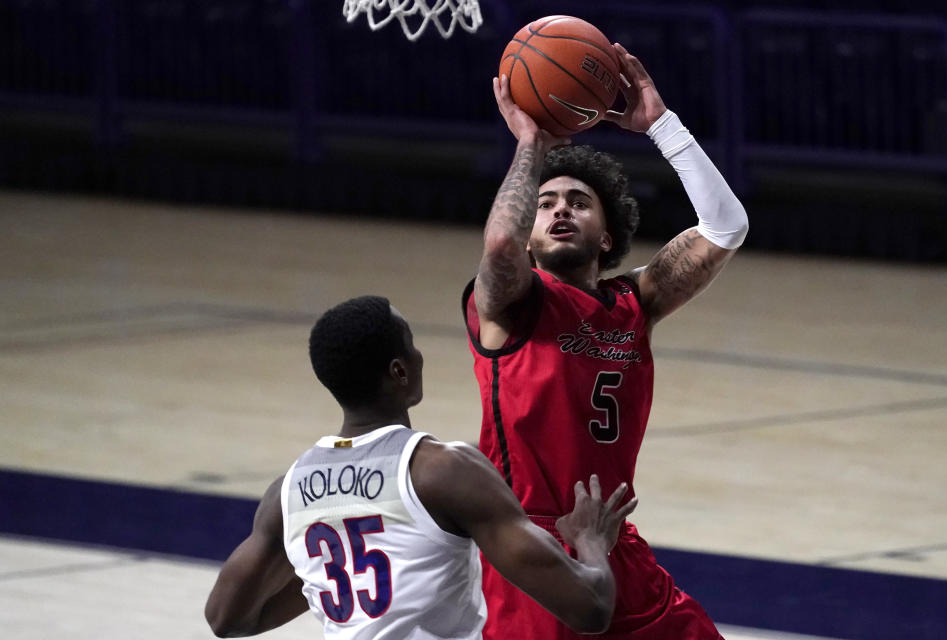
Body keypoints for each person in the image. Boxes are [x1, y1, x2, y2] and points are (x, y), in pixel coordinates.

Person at [462, 44, 748, 639]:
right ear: (530, 235)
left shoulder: (633, 305)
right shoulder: (512, 305)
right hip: (530, 547)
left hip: (615, 539)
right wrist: (530, 150)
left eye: (577, 201)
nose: (559, 209)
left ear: (607, 232)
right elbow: (497, 250)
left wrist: (662, 128)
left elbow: (726, 226)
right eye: (543, 205)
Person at [204, 295, 638, 639]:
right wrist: (592, 540)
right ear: (400, 371)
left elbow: (225, 618)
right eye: (412, 344)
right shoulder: (444, 472)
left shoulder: (289, 491)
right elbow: (590, 608)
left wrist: (331, 578)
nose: (419, 355)